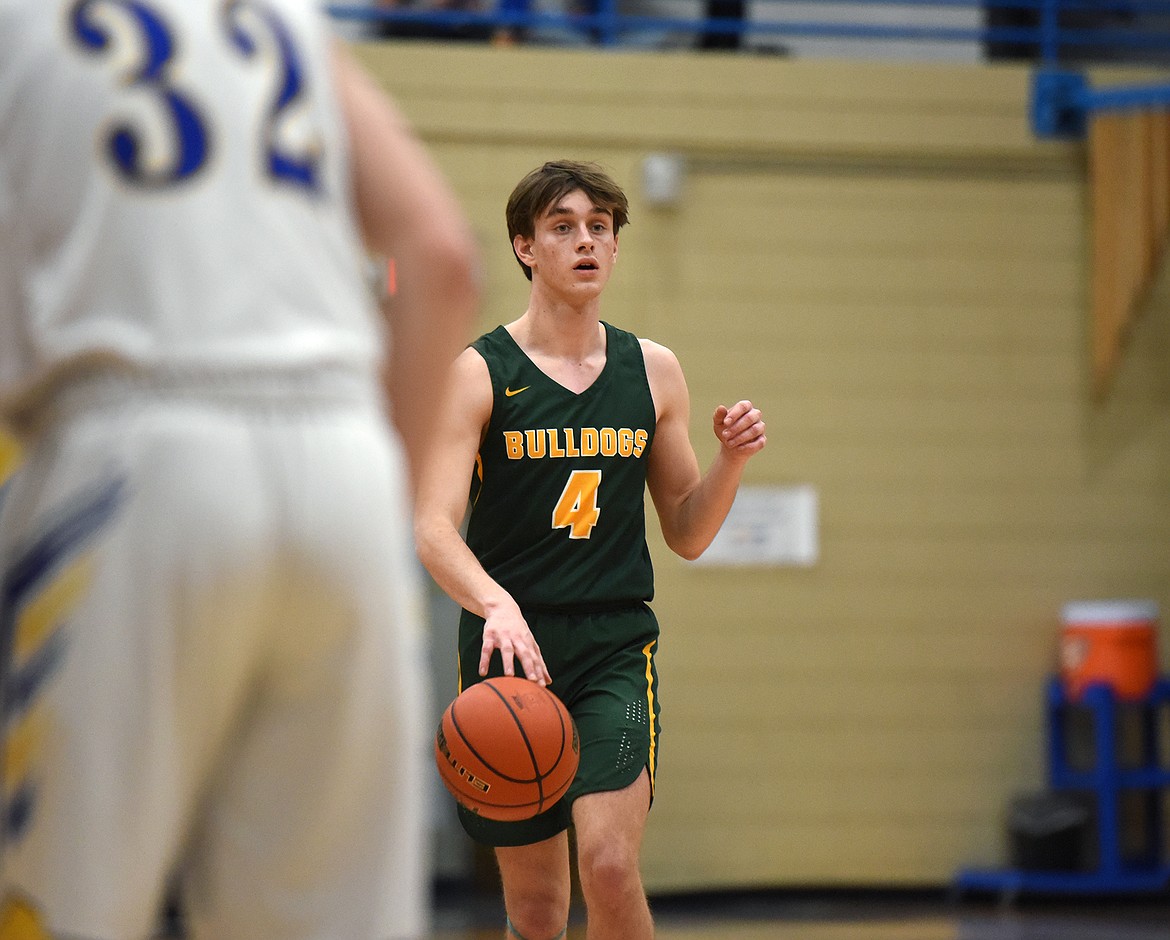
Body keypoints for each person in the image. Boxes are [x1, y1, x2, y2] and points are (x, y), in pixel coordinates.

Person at [0, 3, 478, 939]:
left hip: (127, 458)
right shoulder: (283, 17)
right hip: (350, 466)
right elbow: (441, 256)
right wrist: (382, 531)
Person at [414, 160, 767, 939]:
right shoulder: (478, 374)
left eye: (600, 228)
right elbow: (433, 527)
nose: (585, 242)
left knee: (607, 866)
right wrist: (496, 603)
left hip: (612, 644)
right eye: (563, 227)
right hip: (510, 650)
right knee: (536, 909)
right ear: (524, 247)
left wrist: (730, 463)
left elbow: (686, 530)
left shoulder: (653, 369)